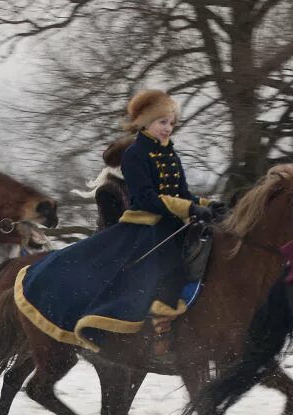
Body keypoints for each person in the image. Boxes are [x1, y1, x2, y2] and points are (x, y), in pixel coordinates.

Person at [15, 89, 226, 357]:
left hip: (173, 222)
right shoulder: (135, 154)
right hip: (145, 226)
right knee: (157, 265)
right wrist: (189, 208)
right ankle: (158, 325)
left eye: (171, 123)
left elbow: (182, 194)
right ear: (145, 122)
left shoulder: (170, 155)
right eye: (163, 122)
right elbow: (146, 198)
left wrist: (207, 205)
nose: (168, 128)